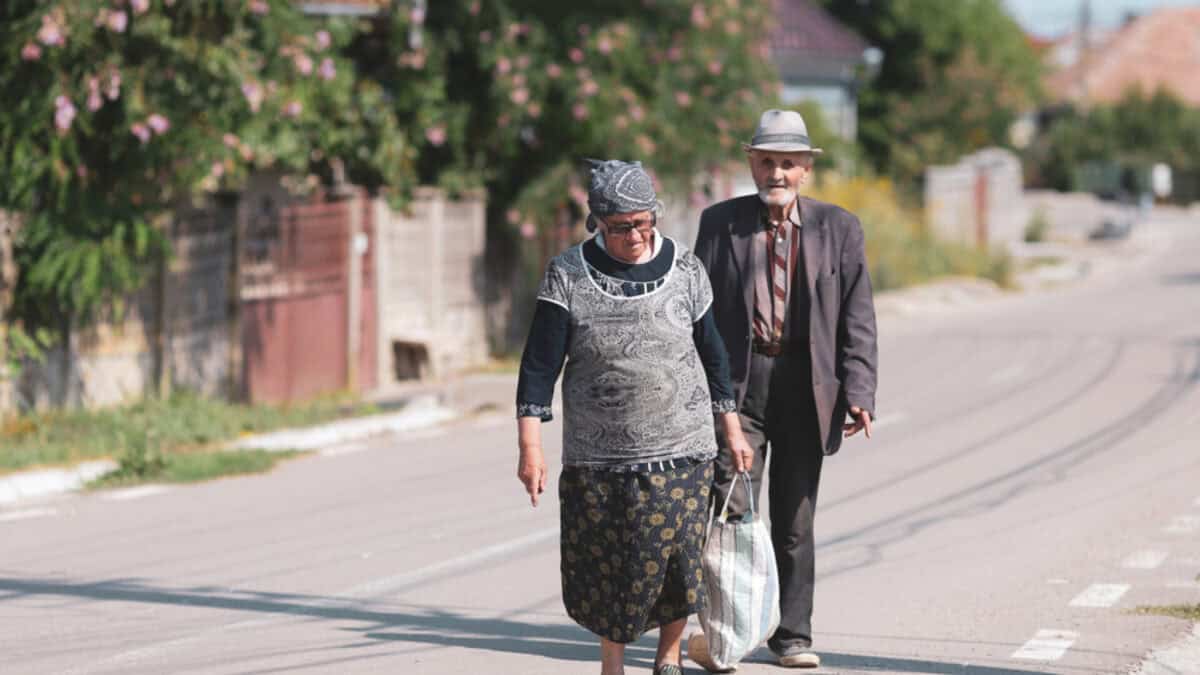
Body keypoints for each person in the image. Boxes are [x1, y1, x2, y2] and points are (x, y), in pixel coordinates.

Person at [516, 159, 754, 675]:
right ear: (598, 222)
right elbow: (538, 368)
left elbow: (714, 355)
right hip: (600, 458)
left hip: (684, 448)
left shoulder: (686, 268)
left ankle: (668, 656)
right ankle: (612, 662)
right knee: (612, 566)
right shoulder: (568, 275)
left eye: (646, 222)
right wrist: (530, 447)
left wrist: (730, 427)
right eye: (623, 226)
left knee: (679, 562)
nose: (637, 236)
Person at [693, 110, 879, 669]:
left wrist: (860, 390)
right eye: (768, 161)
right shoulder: (719, 224)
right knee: (731, 511)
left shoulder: (838, 228)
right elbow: (697, 313)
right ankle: (728, 634)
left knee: (794, 521)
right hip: (739, 390)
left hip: (806, 387)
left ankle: (792, 636)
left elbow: (858, 316)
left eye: (788, 164)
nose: (777, 173)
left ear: (805, 171)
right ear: (752, 164)